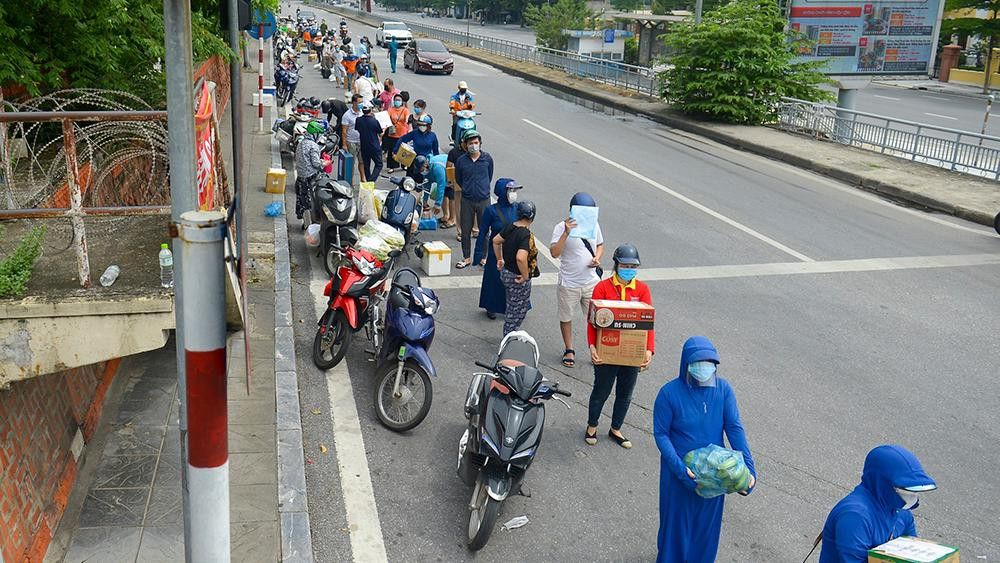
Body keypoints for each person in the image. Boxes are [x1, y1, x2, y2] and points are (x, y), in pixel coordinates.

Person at [653, 336, 756, 563]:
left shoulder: (723, 390)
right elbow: (661, 434)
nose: (704, 368)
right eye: (698, 363)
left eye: (709, 363)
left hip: (714, 475)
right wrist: (680, 469)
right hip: (678, 474)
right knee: (675, 527)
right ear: (686, 364)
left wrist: (749, 470)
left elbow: (734, 428)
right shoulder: (669, 394)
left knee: (705, 531)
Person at [585, 243, 653, 448]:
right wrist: (592, 347)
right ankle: (592, 426)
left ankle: (616, 428)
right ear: (616, 265)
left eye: (633, 267)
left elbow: (648, 323)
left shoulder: (642, 289)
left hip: (631, 354)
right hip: (607, 350)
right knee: (601, 391)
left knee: (625, 393)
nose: (629, 270)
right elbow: (592, 321)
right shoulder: (602, 287)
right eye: (625, 266)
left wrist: (649, 349)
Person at [819, 445, 936, 563]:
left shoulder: (902, 512)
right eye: (906, 489)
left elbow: (912, 552)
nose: (912, 495)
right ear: (884, 483)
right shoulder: (854, 516)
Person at [551, 192, 603, 368]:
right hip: (569, 283)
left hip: (591, 282)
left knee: (596, 319)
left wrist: (597, 257)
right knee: (566, 317)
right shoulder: (560, 227)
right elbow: (554, 253)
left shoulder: (594, 225)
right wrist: (566, 233)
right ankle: (569, 348)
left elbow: (600, 245)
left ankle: (595, 349)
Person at [475, 179, 521, 320]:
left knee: (515, 280)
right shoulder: (491, 210)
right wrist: (478, 255)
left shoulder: (518, 208)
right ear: (502, 192)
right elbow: (482, 232)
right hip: (496, 251)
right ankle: (491, 307)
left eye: (514, 191)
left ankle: (516, 306)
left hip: (513, 250)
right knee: (494, 280)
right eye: (510, 191)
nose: (513, 194)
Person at [492, 201, 538, 336]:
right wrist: (525, 275)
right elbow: (521, 257)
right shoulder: (525, 234)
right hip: (517, 277)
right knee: (517, 310)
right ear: (532, 217)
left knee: (512, 305)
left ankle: (509, 334)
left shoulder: (510, 227)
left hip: (506, 272)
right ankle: (509, 338)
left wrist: (500, 258)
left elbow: (496, 240)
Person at [454, 130, 492, 269]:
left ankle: (483, 257)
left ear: (480, 144)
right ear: (465, 145)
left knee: (484, 231)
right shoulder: (461, 161)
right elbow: (459, 178)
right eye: (471, 143)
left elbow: (490, 174)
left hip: (484, 200)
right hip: (467, 200)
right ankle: (466, 257)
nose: (473, 145)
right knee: (466, 230)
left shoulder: (487, 159)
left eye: (476, 143)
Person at [294, 120, 332, 220]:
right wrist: (325, 163)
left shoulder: (301, 143)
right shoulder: (313, 146)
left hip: (300, 176)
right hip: (310, 177)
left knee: (302, 198)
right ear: (315, 134)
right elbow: (316, 164)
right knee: (312, 200)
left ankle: (303, 216)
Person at [355, 100, 384, 183]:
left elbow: (357, 129)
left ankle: (368, 181)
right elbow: (380, 133)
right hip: (374, 146)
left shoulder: (358, 120)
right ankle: (371, 181)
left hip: (364, 146)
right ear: (370, 110)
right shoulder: (374, 121)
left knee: (366, 166)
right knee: (379, 164)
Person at [383, 92, 410, 172]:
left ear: (402, 102)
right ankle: (392, 167)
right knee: (392, 150)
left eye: (399, 100)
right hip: (393, 133)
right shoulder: (390, 110)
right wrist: (383, 131)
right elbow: (387, 121)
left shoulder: (405, 110)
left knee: (403, 150)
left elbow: (407, 120)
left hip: (403, 133)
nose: (397, 101)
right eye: (396, 100)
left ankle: (404, 165)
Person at [341, 94, 363, 186]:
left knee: (362, 162)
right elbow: (344, 131)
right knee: (352, 163)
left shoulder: (362, 112)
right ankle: (351, 181)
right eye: (359, 102)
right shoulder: (347, 115)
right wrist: (344, 144)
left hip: (361, 141)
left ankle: (363, 179)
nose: (361, 104)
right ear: (354, 103)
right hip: (351, 142)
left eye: (362, 102)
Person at [443, 134, 464, 231]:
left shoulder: (475, 154)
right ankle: (452, 219)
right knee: (452, 198)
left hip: (470, 182)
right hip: (456, 181)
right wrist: (451, 181)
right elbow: (449, 166)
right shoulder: (454, 153)